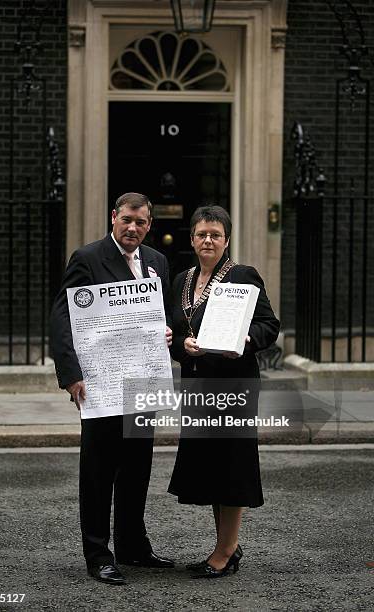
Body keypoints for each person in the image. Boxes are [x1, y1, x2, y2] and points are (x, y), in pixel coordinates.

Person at [50, 192, 174, 585]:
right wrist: (71, 375)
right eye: (127, 221)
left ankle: (134, 548)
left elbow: (161, 314)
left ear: (149, 224)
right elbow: (61, 318)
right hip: (101, 385)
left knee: (137, 468)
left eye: (140, 222)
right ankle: (98, 554)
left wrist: (167, 332)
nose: (133, 228)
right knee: (99, 471)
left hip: (142, 381)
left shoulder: (157, 262)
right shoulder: (87, 258)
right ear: (114, 219)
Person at [168, 205, 280, 578]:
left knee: (231, 465)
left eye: (215, 234)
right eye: (202, 234)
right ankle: (226, 547)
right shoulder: (181, 280)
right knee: (211, 467)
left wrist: (245, 337)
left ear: (226, 239)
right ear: (192, 239)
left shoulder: (243, 275)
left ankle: (225, 551)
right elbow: (172, 332)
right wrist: (182, 344)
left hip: (233, 385)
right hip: (198, 385)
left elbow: (269, 324)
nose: (208, 240)